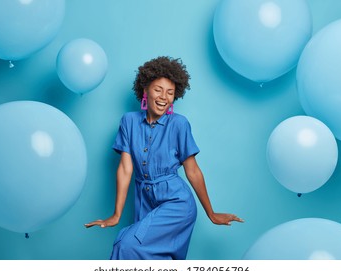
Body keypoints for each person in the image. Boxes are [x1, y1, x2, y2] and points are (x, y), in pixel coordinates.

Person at [85, 56, 244, 260]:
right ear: (145, 90)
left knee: (126, 245)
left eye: (170, 92)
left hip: (177, 203)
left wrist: (211, 213)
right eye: (158, 89)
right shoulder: (128, 122)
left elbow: (192, 170)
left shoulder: (179, 124)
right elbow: (125, 169)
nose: (163, 97)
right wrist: (116, 214)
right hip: (144, 201)